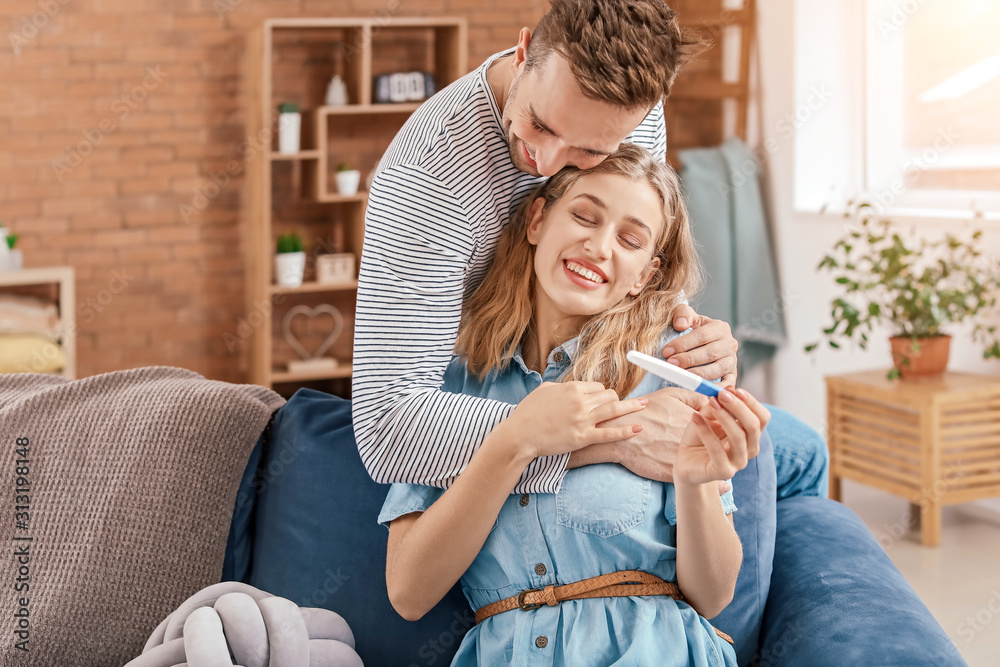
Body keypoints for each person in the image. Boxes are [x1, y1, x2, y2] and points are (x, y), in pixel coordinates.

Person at [379, 144, 769, 665]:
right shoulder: (443, 388)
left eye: (630, 240)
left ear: (644, 278)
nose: (599, 246)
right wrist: (515, 441)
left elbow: (713, 595)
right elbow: (409, 593)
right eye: (584, 216)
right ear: (538, 219)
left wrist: (696, 484)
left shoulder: (668, 378)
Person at [352, 0, 759, 494]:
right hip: (477, 392)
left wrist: (691, 339)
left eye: (589, 152)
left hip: (590, 371)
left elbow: (630, 236)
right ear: (524, 52)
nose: (546, 163)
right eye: (539, 124)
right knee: (786, 458)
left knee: (786, 449)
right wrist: (616, 440)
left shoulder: (632, 116)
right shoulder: (429, 180)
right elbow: (385, 429)